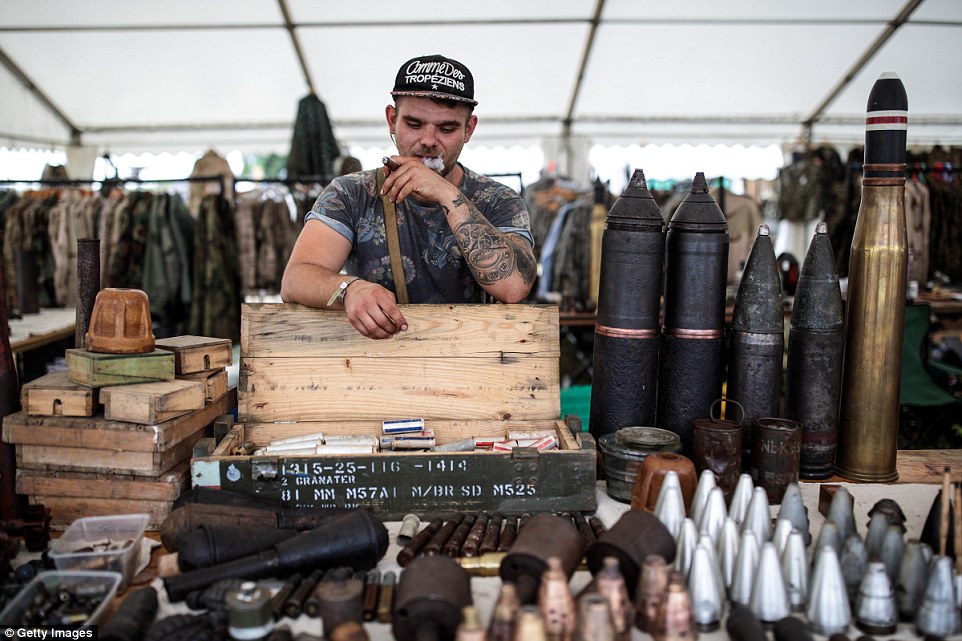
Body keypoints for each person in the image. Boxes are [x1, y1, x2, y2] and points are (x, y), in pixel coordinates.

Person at [281, 54, 536, 339]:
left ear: (469, 129)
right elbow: (295, 279)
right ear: (392, 120)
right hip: (376, 367)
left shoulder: (498, 200)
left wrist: (445, 193)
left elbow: (513, 287)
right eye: (414, 124)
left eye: (446, 128)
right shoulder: (351, 193)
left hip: (471, 364)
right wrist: (349, 289)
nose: (428, 140)